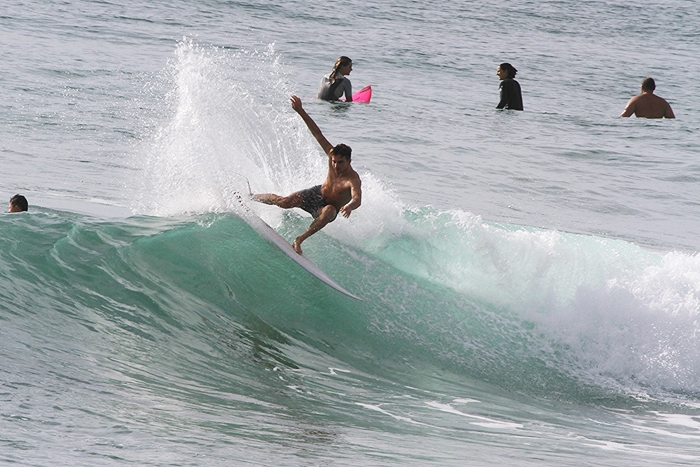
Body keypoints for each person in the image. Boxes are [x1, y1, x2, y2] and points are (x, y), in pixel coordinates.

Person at [252, 96, 362, 255]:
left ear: (349, 161)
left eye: (340, 162)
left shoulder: (353, 179)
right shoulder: (331, 154)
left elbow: (357, 198)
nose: (335, 166)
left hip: (325, 209)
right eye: (334, 161)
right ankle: (250, 196)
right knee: (284, 202)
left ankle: (299, 240)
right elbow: (317, 133)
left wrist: (350, 206)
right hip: (316, 193)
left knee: (330, 210)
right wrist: (300, 110)